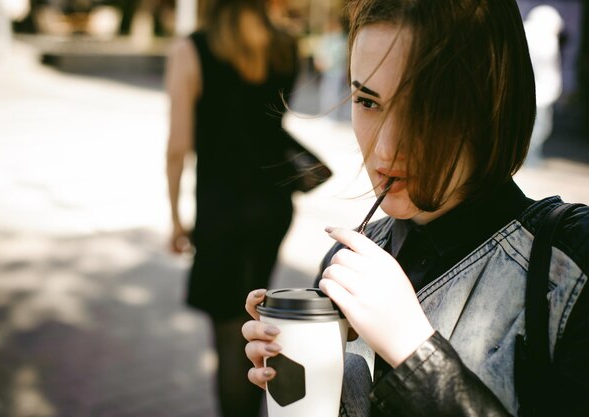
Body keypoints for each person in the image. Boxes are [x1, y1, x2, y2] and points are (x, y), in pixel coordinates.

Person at [242, 1, 589, 416]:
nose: (386, 148)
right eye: (367, 101)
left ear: (493, 104)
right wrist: (295, 387)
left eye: (425, 107)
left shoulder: (569, 262)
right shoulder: (349, 260)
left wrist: (413, 351)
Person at [164, 1, 300, 417]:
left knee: (231, 338)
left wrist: (174, 218)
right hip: (273, 207)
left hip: (222, 211)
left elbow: (177, 147)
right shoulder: (285, 46)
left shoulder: (191, 50)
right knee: (256, 326)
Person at [524, 5, 565, 165]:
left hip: (530, 93)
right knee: (539, 127)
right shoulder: (545, 39)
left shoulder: (526, 32)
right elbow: (548, 71)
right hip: (540, 95)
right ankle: (529, 158)